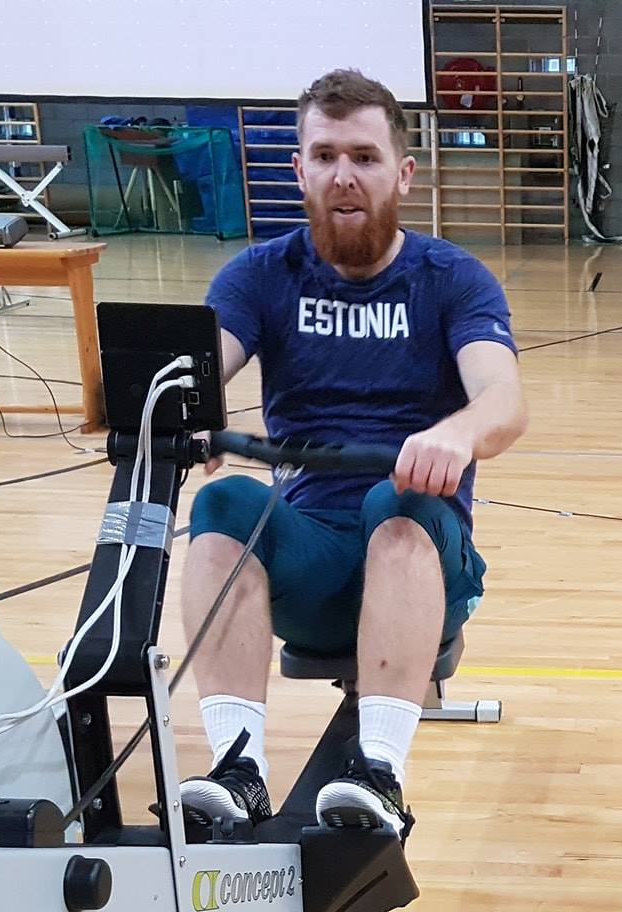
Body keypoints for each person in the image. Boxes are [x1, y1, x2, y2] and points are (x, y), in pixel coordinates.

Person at [177, 68, 526, 841]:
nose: (344, 175)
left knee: (394, 503)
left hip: (421, 554)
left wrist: (457, 433)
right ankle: (238, 768)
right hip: (310, 561)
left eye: (365, 157)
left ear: (402, 173)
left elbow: (503, 400)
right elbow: (195, 371)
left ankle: (380, 774)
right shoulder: (260, 276)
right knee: (223, 502)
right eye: (326, 155)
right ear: (298, 170)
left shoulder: (451, 279)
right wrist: (187, 413)